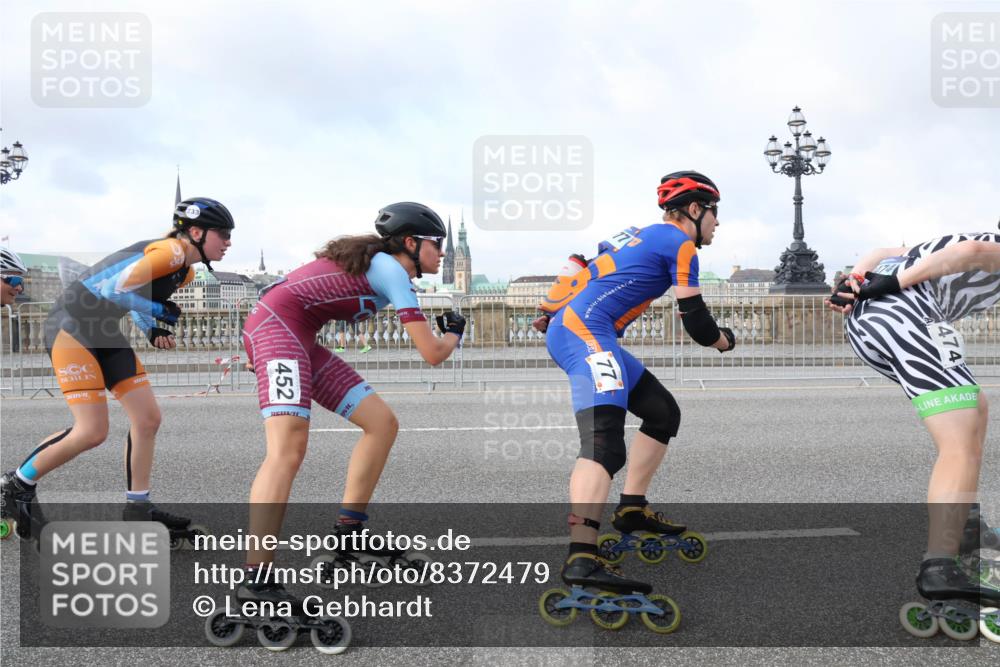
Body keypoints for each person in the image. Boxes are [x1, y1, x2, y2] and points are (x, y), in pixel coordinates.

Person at [239, 202, 463, 610]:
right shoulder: (392, 271)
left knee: (382, 423)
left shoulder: (385, 268)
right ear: (411, 243)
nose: (443, 252)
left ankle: (349, 532)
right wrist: (454, 334)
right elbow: (432, 353)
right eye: (437, 243)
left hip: (294, 335)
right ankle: (257, 578)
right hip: (279, 333)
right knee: (286, 451)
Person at [535, 171, 734, 607]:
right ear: (695, 210)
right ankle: (582, 556)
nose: (717, 223)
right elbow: (697, 322)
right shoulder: (681, 245)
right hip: (586, 332)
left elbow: (584, 266)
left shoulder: (638, 234)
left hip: (582, 328)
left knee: (662, 412)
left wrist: (551, 309)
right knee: (604, 443)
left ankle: (631, 508)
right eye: (714, 213)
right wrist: (725, 341)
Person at [0, 198, 234, 540]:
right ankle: (15, 484)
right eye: (223, 234)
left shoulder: (184, 271)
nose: (228, 242)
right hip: (72, 326)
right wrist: (159, 310)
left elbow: (132, 292)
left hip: (104, 330)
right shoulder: (170, 252)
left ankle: (138, 509)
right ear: (197, 232)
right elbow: (112, 288)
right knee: (92, 431)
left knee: (148, 419)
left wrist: (151, 327)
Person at [827, 229, 1000, 639]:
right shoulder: (989, 244)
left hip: (869, 324)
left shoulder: (965, 236)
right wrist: (894, 284)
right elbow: (972, 252)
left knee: (973, 406)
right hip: (907, 318)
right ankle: (941, 564)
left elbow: (882, 250)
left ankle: (966, 525)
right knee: (958, 444)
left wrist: (854, 281)